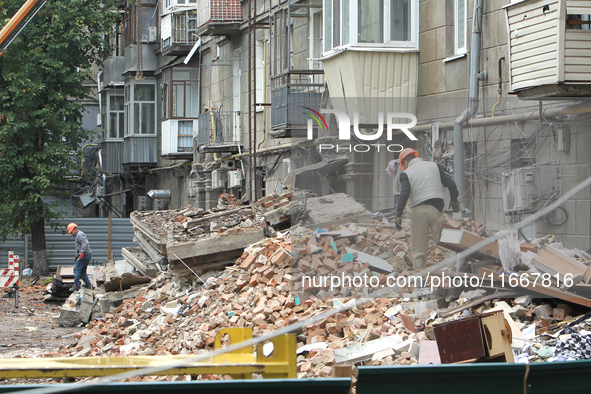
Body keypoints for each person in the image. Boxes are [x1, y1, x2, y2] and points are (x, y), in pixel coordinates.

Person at [395, 148, 460, 271]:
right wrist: (454, 200)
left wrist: (398, 214)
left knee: (419, 248)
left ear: (405, 162)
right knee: (447, 243)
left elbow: (404, 195)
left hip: (418, 212)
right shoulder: (435, 166)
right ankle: (456, 273)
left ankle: (420, 280)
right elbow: (451, 184)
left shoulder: (406, 173)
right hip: (437, 210)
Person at [67, 223, 93, 290]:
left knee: (76, 268)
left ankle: (77, 285)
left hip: (85, 255)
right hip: (86, 255)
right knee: (82, 271)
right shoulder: (77, 236)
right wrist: (76, 255)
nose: (71, 234)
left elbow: (85, 243)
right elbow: (78, 247)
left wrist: (81, 253)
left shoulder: (80, 234)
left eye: (71, 232)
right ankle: (88, 285)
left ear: (74, 229)